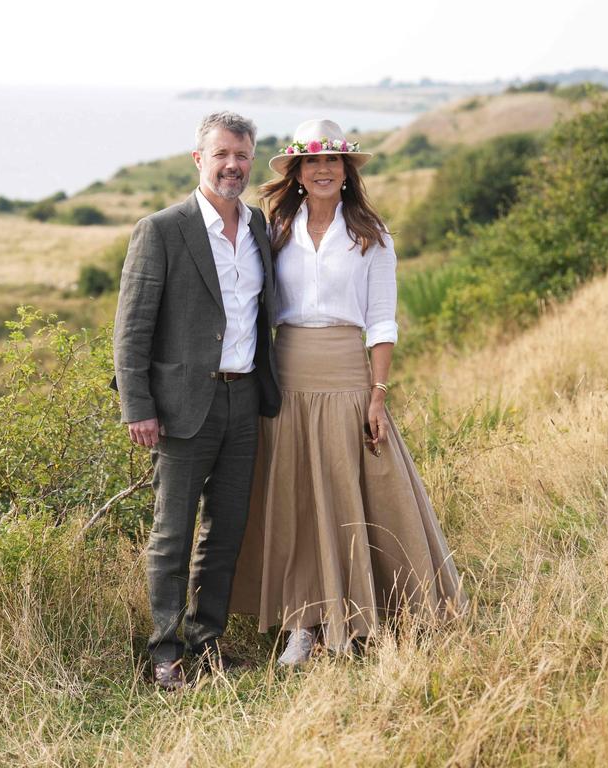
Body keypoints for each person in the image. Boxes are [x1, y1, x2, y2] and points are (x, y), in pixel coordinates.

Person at [230, 119, 467, 665]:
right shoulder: (274, 229)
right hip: (286, 373)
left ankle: (367, 612)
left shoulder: (371, 235)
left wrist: (377, 393)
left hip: (345, 374)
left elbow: (381, 322)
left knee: (348, 493)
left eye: (332, 161)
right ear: (295, 172)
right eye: (312, 162)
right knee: (296, 498)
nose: (322, 170)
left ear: (346, 171)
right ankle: (303, 624)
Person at [112, 111, 281, 689]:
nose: (233, 165)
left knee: (226, 530)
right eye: (222, 155)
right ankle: (165, 651)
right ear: (199, 159)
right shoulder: (161, 229)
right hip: (182, 406)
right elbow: (131, 329)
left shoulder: (259, 226)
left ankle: (208, 643)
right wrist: (138, 406)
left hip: (244, 400)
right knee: (173, 532)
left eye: (242, 155)